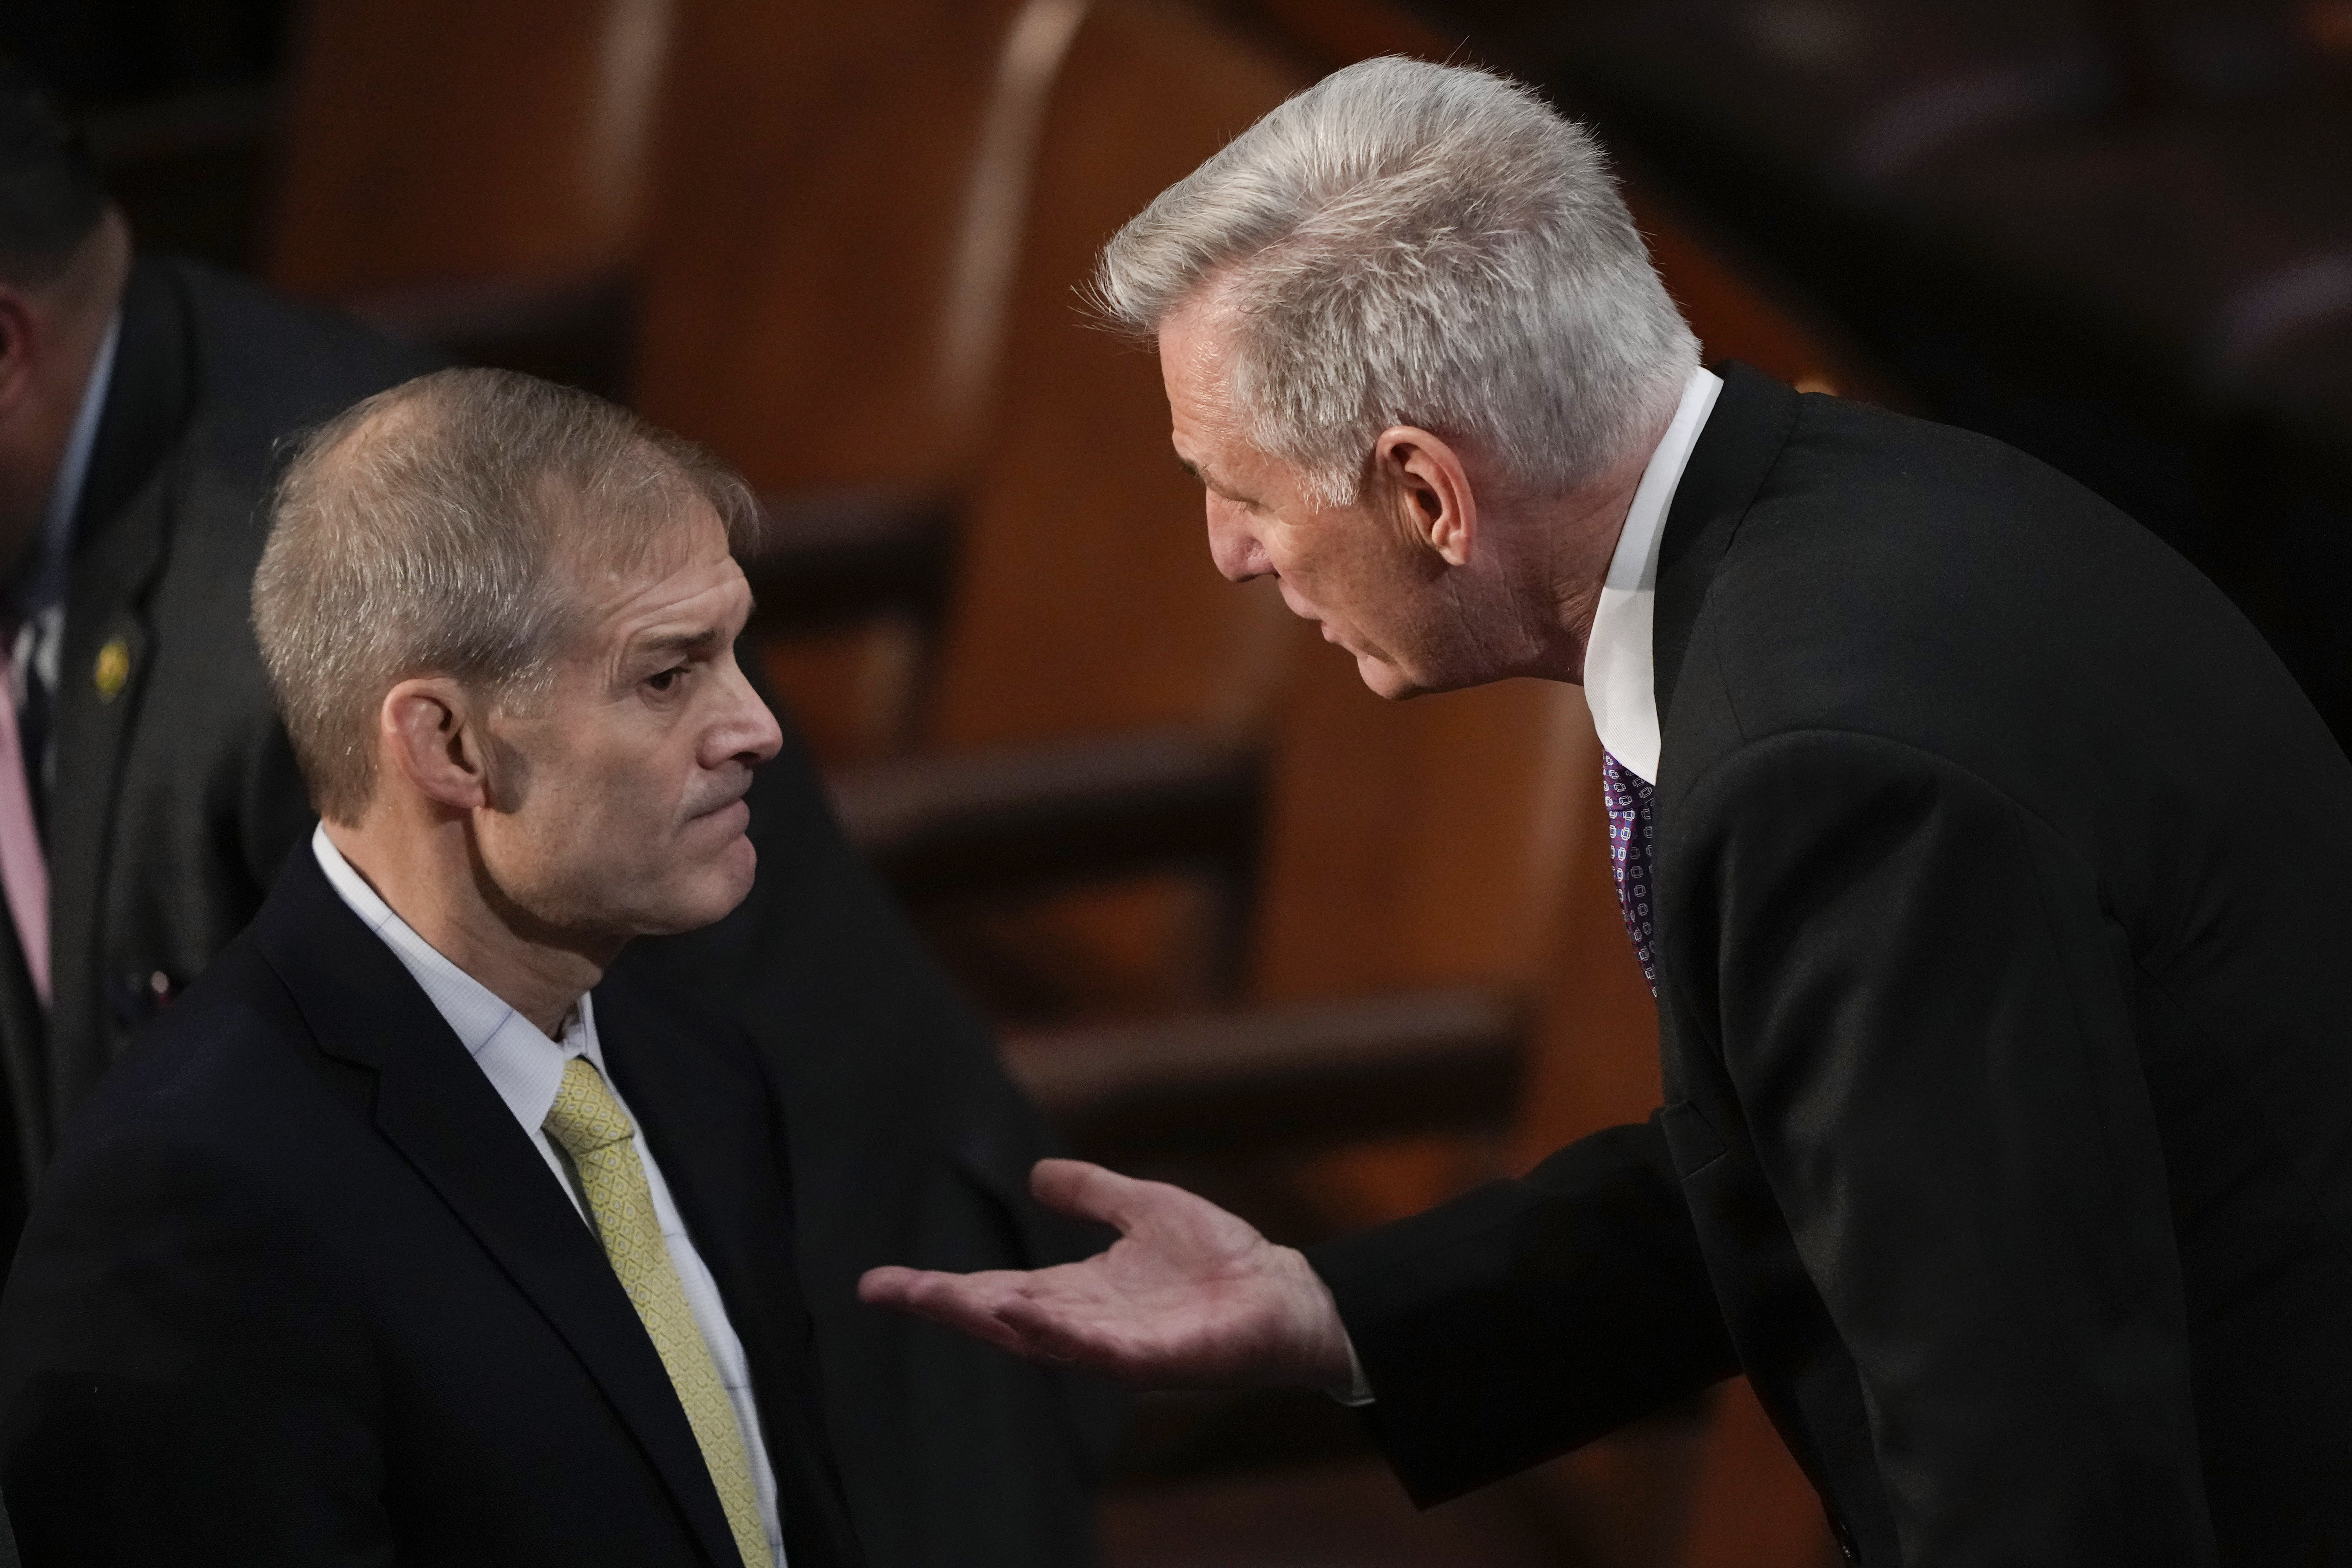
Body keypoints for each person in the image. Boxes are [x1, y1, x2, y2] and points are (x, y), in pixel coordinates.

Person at [861, 57, 2352, 1565]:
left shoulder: (1829, 770)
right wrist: (1326, 1308)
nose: (1231, 552)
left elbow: (2037, 1480)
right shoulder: (1846, 509)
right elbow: (1823, 1157)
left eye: (1238, 489)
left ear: (1427, 493)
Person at [0, 64, 1112, 1566]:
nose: (759, 729)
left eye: (710, 659)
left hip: (876, 1359)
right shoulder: (203, 1196)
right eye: (673, 673)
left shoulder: (332, 599)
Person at [0, 369, 872, 1563]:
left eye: (733, 652)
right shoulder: (183, 1212)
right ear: (447, 743)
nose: (756, 725)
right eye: (668, 675)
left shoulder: (694, 1071)